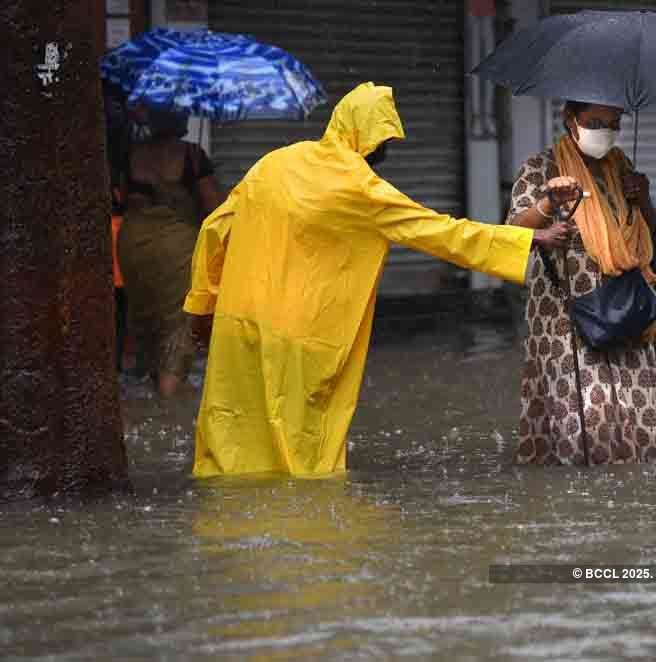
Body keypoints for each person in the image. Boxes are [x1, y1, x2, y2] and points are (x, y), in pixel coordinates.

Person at [183, 82, 571, 478]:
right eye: (384, 140)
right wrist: (529, 237)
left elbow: (215, 230)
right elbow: (441, 233)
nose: (384, 153)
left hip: (239, 324)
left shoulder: (276, 162)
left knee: (232, 437)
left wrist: (201, 308)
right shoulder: (361, 187)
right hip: (300, 335)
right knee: (298, 456)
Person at [507, 100, 656, 465]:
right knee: (585, 416)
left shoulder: (621, 166)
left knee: (638, 418)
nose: (604, 131)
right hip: (568, 312)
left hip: (624, 306)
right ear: (569, 119)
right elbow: (512, 230)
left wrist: (643, 198)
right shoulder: (540, 167)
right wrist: (549, 205)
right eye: (594, 121)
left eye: (613, 123)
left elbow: (649, 231)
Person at [117, 105, 226, 397]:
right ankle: (167, 402)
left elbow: (125, 198)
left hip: (132, 246)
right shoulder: (190, 155)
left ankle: (146, 388)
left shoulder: (132, 154)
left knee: (146, 318)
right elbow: (214, 207)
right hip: (175, 247)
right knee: (178, 325)